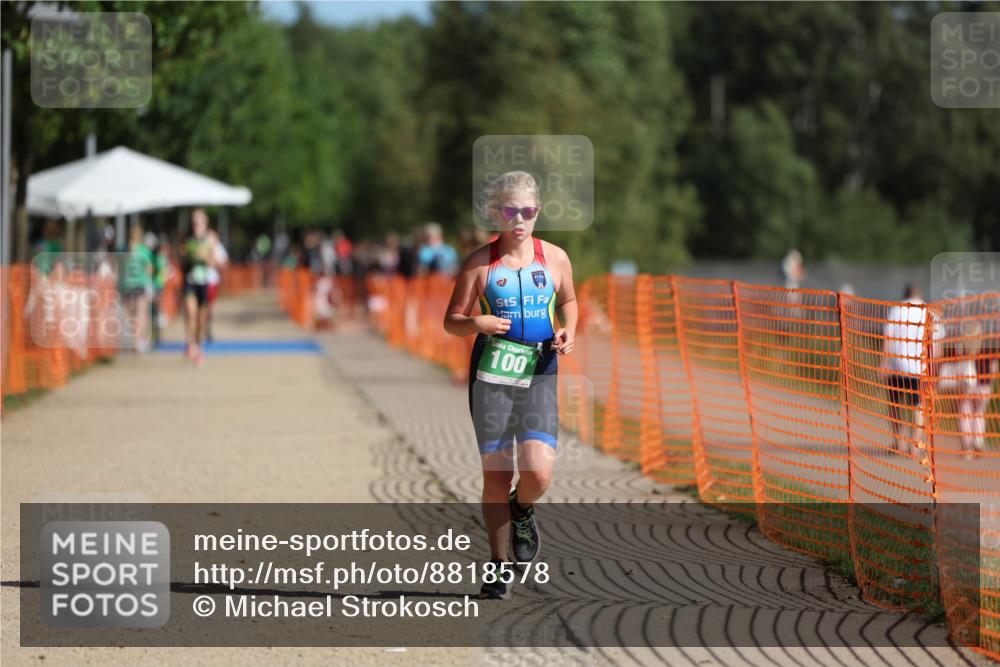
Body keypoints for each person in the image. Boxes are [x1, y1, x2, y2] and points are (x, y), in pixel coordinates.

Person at [443, 171, 577, 600]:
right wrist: (476, 323)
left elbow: (570, 301)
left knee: (538, 471)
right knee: (497, 474)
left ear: (537, 211)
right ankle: (498, 566)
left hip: (539, 369)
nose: (519, 219)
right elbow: (451, 321)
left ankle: (523, 508)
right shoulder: (479, 264)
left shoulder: (555, 258)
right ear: (495, 212)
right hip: (493, 375)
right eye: (509, 210)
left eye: (527, 211)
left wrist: (568, 329)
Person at [881, 284, 942, 457]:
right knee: (918, 405)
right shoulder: (928, 312)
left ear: (905, 294)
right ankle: (915, 444)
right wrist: (934, 368)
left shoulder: (897, 309)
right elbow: (936, 343)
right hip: (919, 367)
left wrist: (884, 361)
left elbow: (888, 336)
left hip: (897, 365)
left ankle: (898, 441)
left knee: (895, 403)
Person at [179, 209, 220, 365]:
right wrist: (186, 256)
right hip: (190, 281)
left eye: (199, 222)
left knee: (201, 319)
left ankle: (198, 345)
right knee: (191, 312)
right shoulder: (187, 239)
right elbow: (181, 256)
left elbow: (217, 262)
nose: (196, 225)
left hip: (204, 282)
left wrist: (206, 258)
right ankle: (190, 344)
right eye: (194, 222)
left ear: (205, 223)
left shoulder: (211, 238)